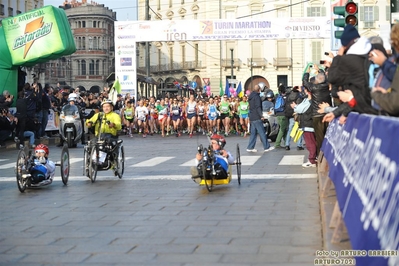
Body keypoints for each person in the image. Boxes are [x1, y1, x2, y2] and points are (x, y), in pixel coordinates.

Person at [246, 84, 275, 153]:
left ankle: (250, 147)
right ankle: (266, 147)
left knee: (253, 133)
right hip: (257, 116)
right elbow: (258, 107)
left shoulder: (251, 96)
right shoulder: (257, 97)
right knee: (262, 132)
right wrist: (261, 116)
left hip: (252, 116)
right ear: (259, 90)